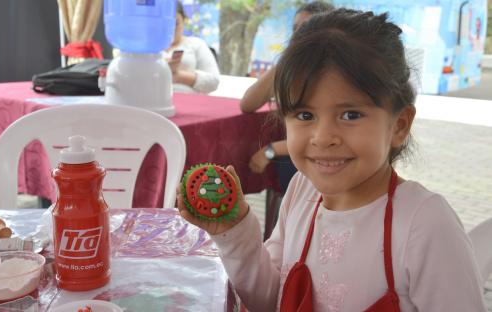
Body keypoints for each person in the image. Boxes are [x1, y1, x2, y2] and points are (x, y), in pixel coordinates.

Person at [177, 8, 487, 312]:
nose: (323, 137)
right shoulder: (301, 191)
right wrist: (235, 232)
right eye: (305, 115)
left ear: (399, 125)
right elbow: (272, 300)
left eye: (350, 114)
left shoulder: (425, 223)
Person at [240, 1, 334, 192]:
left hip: (323, 159)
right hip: (297, 155)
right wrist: (287, 59)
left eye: (305, 28)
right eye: (295, 29)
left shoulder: (333, 73)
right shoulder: (293, 69)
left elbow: (319, 135)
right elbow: (248, 104)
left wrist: (271, 150)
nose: (298, 35)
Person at [164, 1, 220, 94]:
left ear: (184, 20)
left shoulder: (196, 44)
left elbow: (213, 81)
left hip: (191, 100)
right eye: (165, 23)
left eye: (176, 23)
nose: (171, 28)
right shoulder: (148, 48)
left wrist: (179, 76)